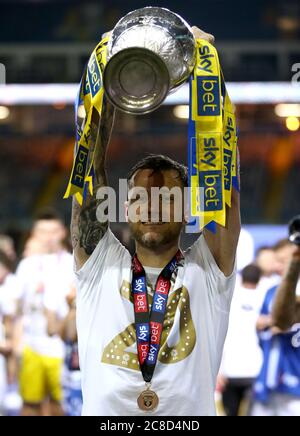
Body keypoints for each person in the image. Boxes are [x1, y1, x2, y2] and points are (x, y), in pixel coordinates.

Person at [71, 26, 240, 416]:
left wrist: (207, 70)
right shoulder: (100, 264)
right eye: (139, 196)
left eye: (166, 196)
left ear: (187, 209)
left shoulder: (209, 268)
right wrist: (105, 69)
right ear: (124, 208)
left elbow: (223, 173)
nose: (151, 205)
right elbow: (88, 163)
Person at [15, 211, 74, 416]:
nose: (48, 236)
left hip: (62, 347)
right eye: (43, 231)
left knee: (61, 403)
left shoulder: (72, 264)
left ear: (63, 232)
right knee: (30, 403)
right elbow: (17, 310)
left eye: (53, 231)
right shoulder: (26, 266)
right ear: (35, 234)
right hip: (32, 344)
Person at [252, 239, 300, 416]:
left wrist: (282, 323)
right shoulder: (271, 290)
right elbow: (263, 324)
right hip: (269, 377)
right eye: (276, 260)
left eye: (282, 260)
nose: (276, 265)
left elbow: (281, 323)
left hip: (295, 381)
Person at [218, 264, 262, 416]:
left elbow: (220, 334)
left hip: (229, 369)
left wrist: (218, 370)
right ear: (260, 279)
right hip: (256, 369)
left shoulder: (229, 297)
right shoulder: (265, 298)